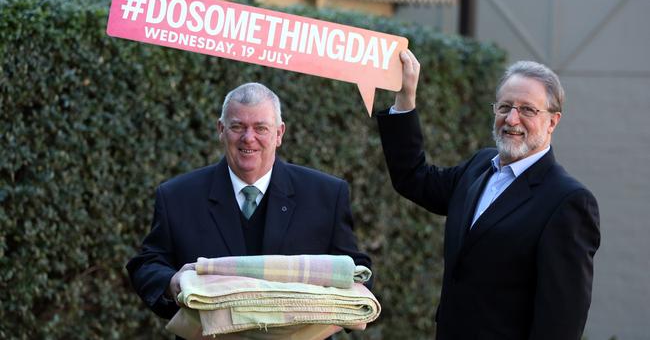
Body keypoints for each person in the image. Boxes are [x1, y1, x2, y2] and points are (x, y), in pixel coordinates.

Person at [376, 50, 600, 340]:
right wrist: (405, 98)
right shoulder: (480, 165)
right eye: (505, 106)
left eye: (528, 110)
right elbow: (413, 178)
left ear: (553, 121)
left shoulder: (568, 202)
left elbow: (560, 323)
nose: (512, 119)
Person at [127, 82, 371, 321]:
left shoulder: (326, 195)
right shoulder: (177, 197)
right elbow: (148, 264)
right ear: (221, 130)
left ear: (279, 134)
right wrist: (172, 283)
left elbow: (354, 269)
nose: (248, 138)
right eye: (237, 126)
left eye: (261, 128)